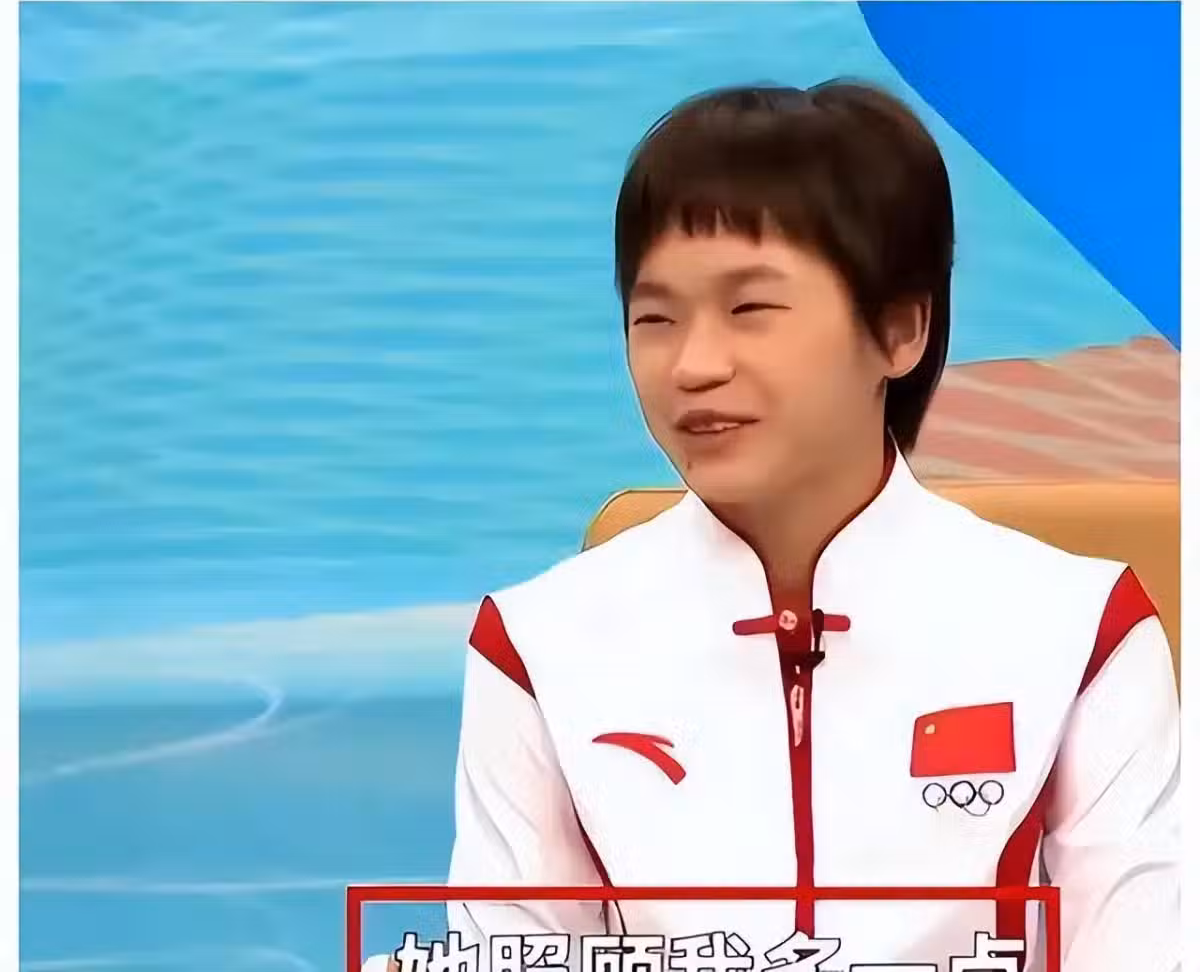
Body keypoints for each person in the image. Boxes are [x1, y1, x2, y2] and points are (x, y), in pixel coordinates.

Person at [371, 81, 1180, 971]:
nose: (694, 366)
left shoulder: (1082, 633)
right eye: (655, 318)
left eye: (750, 310)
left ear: (900, 330)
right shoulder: (534, 648)